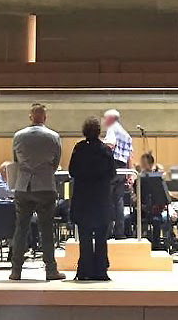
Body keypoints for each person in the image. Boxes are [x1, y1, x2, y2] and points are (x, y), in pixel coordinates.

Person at [8, 102, 64, 281]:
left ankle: (16, 270)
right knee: (46, 229)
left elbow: (16, 161)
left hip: (23, 186)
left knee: (21, 229)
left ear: (30, 117)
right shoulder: (54, 136)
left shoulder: (18, 136)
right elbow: (55, 163)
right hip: (45, 185)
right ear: (45, 117)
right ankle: (50, 269)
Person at [69, 116, 115, 281]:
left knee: (85, 237)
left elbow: (72, 171)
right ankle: (101, 270)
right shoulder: (105, 150)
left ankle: (84, 270)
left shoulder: (79, 149)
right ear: (98, 132)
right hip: (101, 200)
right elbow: (112, 174)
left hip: (83, 200)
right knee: (102, 238)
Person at [101, 109, 132, 240]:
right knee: (119, 200)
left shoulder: (112, 129)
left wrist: (99, 143)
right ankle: (119, 232)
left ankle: (107, 231)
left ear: (111, 119)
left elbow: (110, 144)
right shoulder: (126, 134)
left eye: (105, 118)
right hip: (123, 168)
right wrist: (130, 175)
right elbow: (130, 155)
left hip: (112, 167)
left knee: (106, 199)